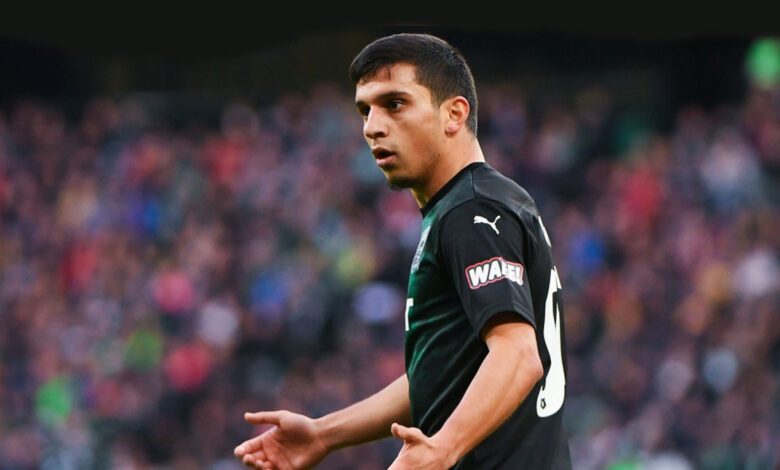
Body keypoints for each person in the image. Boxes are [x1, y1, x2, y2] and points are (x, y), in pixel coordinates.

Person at [234, 32, 572, 469]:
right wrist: (324, 434)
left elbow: (518, 354)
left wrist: (443, 447)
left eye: (394, 104)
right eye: (365, 110)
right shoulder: (473, 205)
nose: (372, 126)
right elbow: (439, 376)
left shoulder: (471, 211)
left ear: (454, 114)